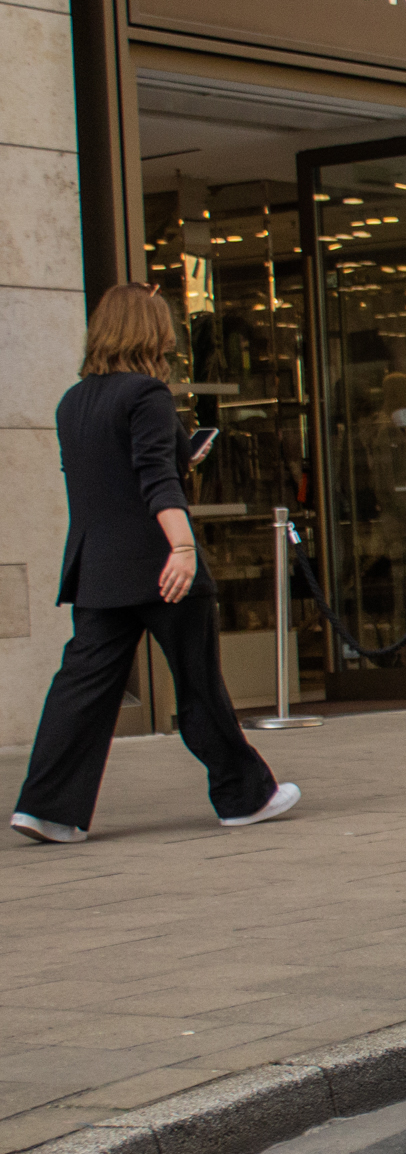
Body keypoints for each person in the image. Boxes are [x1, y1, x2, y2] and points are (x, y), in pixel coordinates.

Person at [11, 284, 299, 844]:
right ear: (153, 332)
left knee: (81, 689)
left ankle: (47, 807)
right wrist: (184, 548)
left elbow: (110, 476)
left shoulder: (73, 401)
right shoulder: (147, 394)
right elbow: (153, 480)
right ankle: (244, 796)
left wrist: (180, 451)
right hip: (159, 561)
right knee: (199, 684)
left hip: (98, 567)